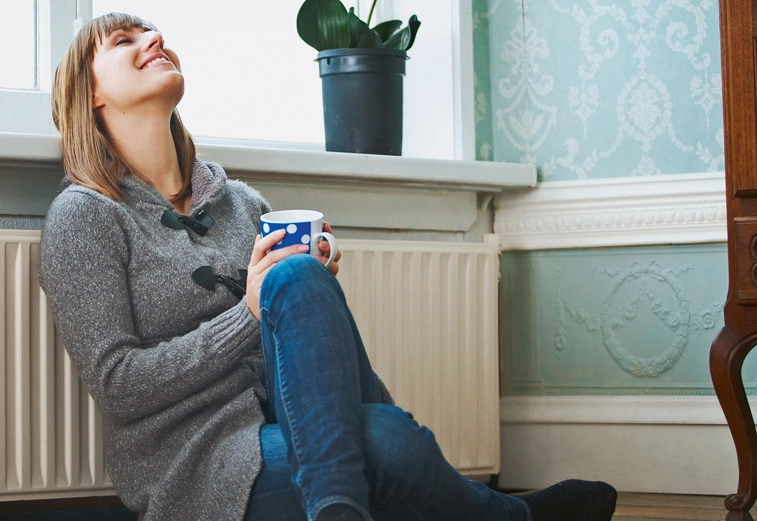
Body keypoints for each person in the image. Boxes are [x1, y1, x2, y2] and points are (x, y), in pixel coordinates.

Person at [38, 11, 618, 521]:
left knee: (297, 277)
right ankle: (511, 517)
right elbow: (118, 386)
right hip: (206, 470)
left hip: (305, 427)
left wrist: (310, 282)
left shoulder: (241, 203)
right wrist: (248, 311)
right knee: (388, 438)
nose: (154, 38)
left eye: (154, 30)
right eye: (123, 40)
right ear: (89, 94)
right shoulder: (84, 217)